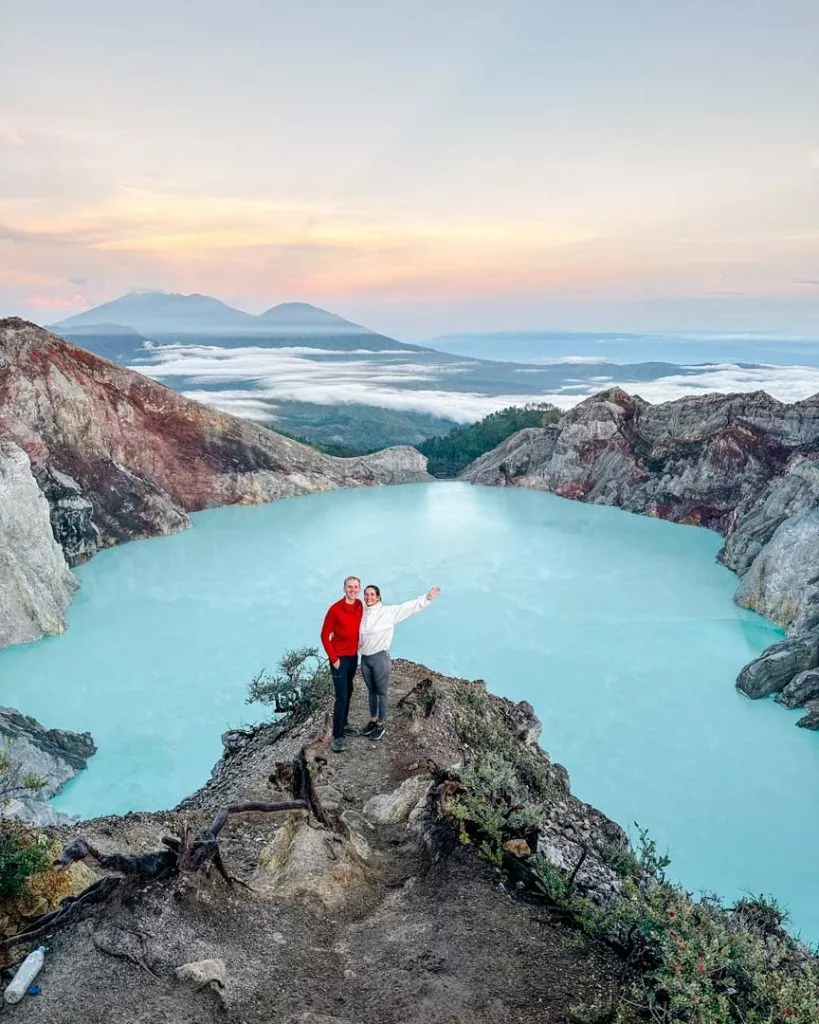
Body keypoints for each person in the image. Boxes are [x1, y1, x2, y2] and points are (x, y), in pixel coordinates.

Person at [359, 584, 441, 740]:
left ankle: (381, 725)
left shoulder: (387, 612)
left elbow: (407, 608)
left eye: (372, 594)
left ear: (378, 597)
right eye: (366, 594)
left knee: (381, 692)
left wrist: (426, 598)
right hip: (365, 659)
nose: (369, 597)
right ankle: (372, 721)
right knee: (371, 691)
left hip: (380, 658)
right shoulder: (361, 614)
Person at [320, 576, 362, 753]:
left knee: (349, 691)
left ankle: (344, 724)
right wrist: (334, 659)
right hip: (339, 659)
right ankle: (337, 736)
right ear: (344, 588)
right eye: (349, 587)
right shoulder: (335, 609)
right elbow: (324, 635)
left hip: (353, 657)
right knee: (341, 696)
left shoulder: (359, 605)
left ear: (359, 589)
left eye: (355, 587)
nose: (352, 590)